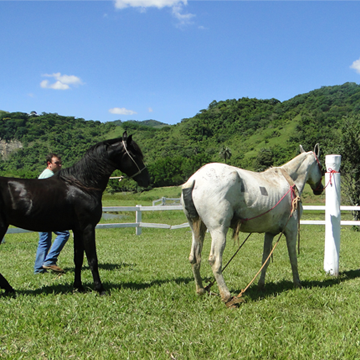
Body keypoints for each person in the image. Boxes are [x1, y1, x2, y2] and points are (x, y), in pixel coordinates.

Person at [34, 153, 70, 274]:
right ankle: (50, 260)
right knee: (64, 233)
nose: (59, 165)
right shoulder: (49, 176)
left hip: (41, 212)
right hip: (47, 213)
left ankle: (38, 268)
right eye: (56, 163)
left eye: (60, 163)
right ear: (49, 164)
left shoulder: (46, 174)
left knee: (44, 240)